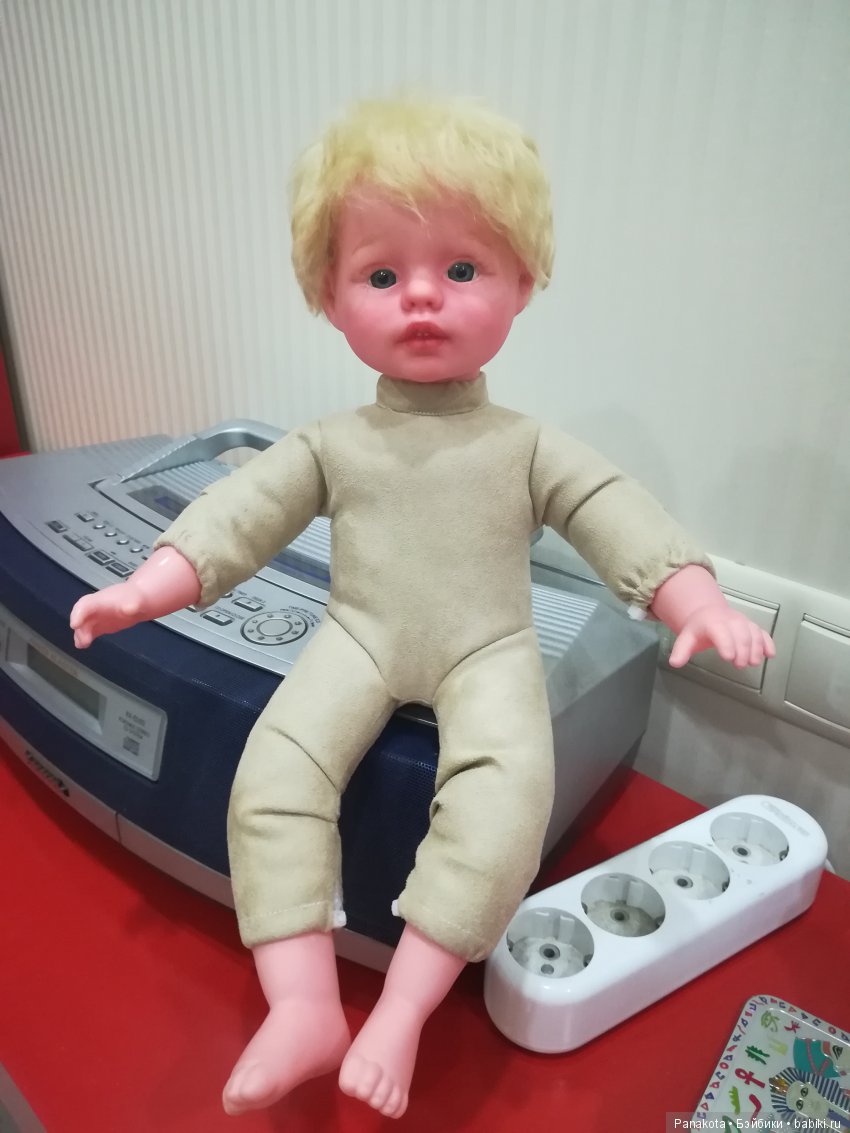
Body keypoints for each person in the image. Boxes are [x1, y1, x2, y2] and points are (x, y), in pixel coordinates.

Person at [70, 96, 775, 1120]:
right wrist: (152, 584)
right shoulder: (333, 442)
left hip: (490, 648)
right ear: (330, 294)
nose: (422, 298)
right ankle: (303, 1002)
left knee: (506, 798)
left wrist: (692, 595)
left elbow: (608, 508)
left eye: (463, 267)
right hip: (356, 634)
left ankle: (402, 1009)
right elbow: (243, 509)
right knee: (273, 774)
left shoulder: (523, 445)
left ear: (521, 282)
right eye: (381, 274)